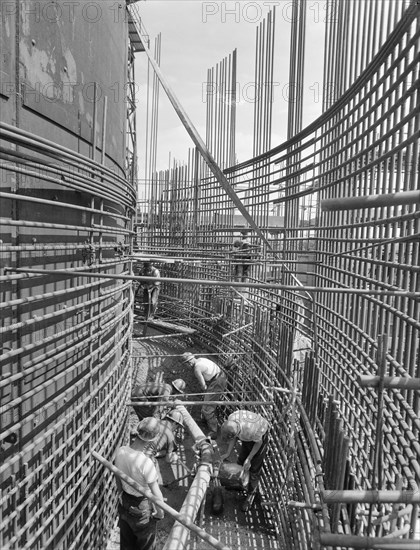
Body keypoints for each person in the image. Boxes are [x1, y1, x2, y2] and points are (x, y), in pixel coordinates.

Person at [114, 418, 165, 550]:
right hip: (141, 507)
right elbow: (156, 493)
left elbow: (117, 476)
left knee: (126, 544)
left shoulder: (121, 451)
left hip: (124, 501)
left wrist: (120, 494)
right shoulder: (146, 463)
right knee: (145, 544)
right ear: (153, 439)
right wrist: (160, 513)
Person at [220, 409, 270, 496]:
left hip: (260, 436)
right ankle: (239, 484)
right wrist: (228, 453)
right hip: (248, 435)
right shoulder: (231, 419)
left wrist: (249, 458)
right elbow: (234, 438)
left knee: (254, 468)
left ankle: (251, 494)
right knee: (241, 460)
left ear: (236, 434)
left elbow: (259, 443)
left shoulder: (250, 430)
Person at [181, 352, 227, 439]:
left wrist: (206, 390)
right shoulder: (201, 359)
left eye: (185, 365)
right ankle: (206, 421)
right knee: (207, 404)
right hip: (220, 377)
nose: (186, 367)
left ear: (189, 362)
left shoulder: (197, 369)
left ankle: (214, 431)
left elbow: (203, 386)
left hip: (217, 382)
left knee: (207, 409)